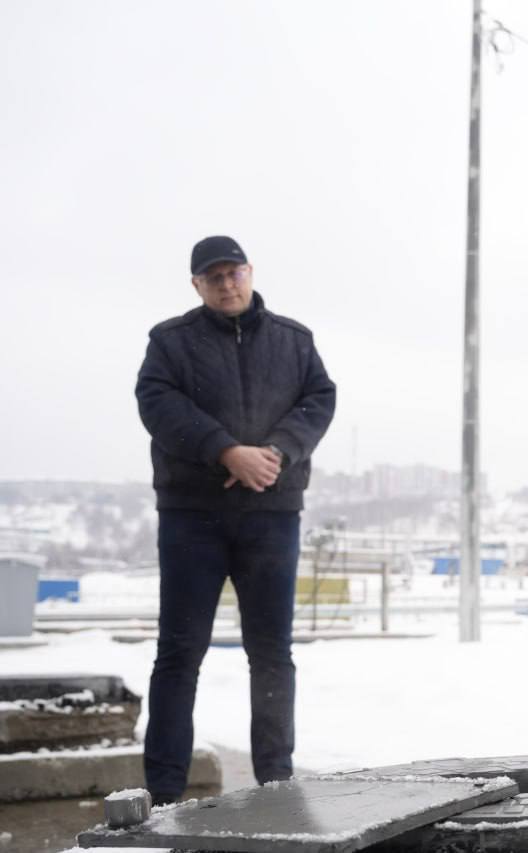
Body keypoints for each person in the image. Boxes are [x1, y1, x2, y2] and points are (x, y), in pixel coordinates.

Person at [135, 235, 336, 803]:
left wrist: (276, 453)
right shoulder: (170, 342)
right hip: (191, 517)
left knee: (272, 653)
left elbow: (319, 400)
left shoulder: (295, 341)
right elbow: (158, 402)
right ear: (197, 285)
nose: (227, 285)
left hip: (271, 516)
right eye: (213, 277)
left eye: (234, 273)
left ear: (250, 272)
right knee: (179, 653)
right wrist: (226, 450)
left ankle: (275, 783)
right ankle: (164, 795)